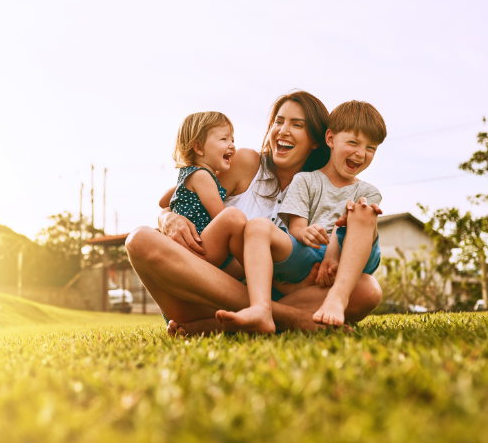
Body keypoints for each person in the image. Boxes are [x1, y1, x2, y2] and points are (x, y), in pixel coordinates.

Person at [125, 91, 383, 336]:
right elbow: (183, 193)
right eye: (279, 121)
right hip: (201, 293)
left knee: (367, 289)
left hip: (281, 295)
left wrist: (331, 263)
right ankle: (286, 317)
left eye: (296, 124)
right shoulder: (246, 163)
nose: (283, 130)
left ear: (317, 141)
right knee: (139, 239)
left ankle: (225, 323)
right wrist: (169, 218)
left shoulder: (324, 189)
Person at [216, 101, 386, 333]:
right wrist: (304, 232)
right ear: (330, 139)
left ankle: (337, 298)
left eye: (370, 148)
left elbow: (350, 229)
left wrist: (334, 255)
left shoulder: (368, 191)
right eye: (353, 143)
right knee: (257, 226)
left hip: (351, 257)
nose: (360, 153)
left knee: (362, 212)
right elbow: (296, 226)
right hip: (309, 254)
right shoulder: (305, 180)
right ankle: (261, 309)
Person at [166, 111, 246, 276]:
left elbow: (163, 201)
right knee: (233, 216)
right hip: (200, 247)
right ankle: (257, 269)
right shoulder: (202, 176)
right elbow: (221, 216)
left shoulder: (187, 174)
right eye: (224, 139)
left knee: (243, 269)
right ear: (199, 148)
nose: (231, 145)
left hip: (195, 249)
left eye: (232, 139)